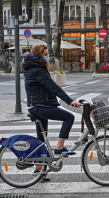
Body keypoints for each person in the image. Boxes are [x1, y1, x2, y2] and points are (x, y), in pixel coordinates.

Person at [22, 44, 81, 182]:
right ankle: (59, 148)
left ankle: (39, 171)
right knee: (69, 117)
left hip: (37, 105)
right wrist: (69, 101)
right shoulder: (38, 70)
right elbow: (53, 87)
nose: (47, 55)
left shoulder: (34, 67)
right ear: (39, 55)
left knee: (41, 140)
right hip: (39, 106)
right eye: (45, 53)